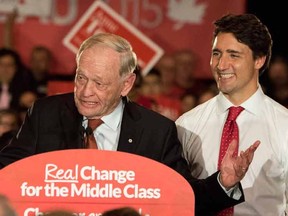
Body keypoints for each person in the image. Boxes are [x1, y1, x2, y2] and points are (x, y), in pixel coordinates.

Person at [0, 33, 259, 216]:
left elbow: (181, 198)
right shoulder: (46, 113)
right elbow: (8, 171)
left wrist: (223, 182)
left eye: (99, 83)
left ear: (126, 85)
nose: (85, 91)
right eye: (81, 78)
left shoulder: (156, 131)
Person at [176, 13, 288, 215]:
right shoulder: (187, 124)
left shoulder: (283, 125)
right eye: (216, 53)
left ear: (259, 60)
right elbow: (177, 195)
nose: (221, 65)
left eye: (233, 55)